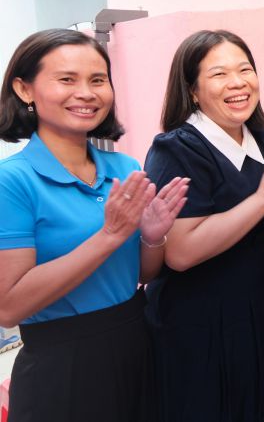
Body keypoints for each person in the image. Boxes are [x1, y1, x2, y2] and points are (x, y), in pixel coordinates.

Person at [0, 29, 188, 422]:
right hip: (62, 364)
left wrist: (153, 238)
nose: (86, 92)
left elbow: (139, 274)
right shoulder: (12, 181)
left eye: (98, 80)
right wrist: (109, 236)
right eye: (67, 79)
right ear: (24, 89)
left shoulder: (125, 169)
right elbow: (10, 305)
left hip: (136, 343)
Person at [143, 30, 264, 421]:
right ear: (192, 90)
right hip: (193, 320)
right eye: (219, 74)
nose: (237, 83)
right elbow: (179, 254)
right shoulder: (176, 150)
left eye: (245, 69)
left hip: (252, 309)